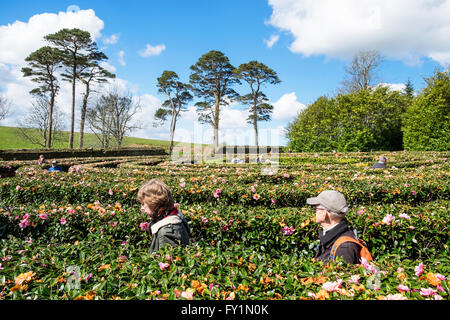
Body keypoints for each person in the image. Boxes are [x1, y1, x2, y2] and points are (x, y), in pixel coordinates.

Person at [307, 190, 361, 264]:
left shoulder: (344, 248)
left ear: (325, 213)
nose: (314, 212)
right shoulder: (330, 237)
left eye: (316, 209)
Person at [137, 179, 190, 254]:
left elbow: (168, 261)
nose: (142, 208)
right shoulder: (174, 219)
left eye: (144, 204)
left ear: (157, 207)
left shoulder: (167, 233)